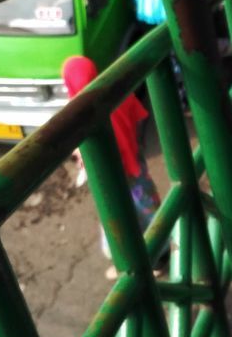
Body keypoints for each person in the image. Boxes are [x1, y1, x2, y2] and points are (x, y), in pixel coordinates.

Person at [62, 56, 162, 265]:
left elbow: (89, 148)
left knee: (118, 216)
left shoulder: (81, 113)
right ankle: (159, 254)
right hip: (135, 163)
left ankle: (137, 266)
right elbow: (135, 119)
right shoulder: (114, 93)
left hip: (112, 174)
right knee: (146, 210)